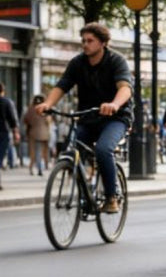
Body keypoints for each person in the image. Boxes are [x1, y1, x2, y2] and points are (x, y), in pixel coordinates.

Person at [36, 22, 132, 213]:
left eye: (90, 40)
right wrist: (48, 104)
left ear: (103, 43)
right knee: (72, 150)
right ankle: (85, 188)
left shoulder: (116, 61)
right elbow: (62, 85)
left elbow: (125, 88)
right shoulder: (78, 63)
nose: (85, 44)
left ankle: (111, 197)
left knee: (104, 150)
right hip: (88, 117)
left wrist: (114, 104)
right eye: (83, 40)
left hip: (115, 118)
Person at [22, 94, 51, 176]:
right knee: (43, 152)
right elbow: (49, 121)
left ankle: (35, 168)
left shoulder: (31, 109)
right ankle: (41, 167)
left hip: (33, 133)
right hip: (45, 134)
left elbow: (26, 120)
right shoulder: (46, 109)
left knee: (34, 152)